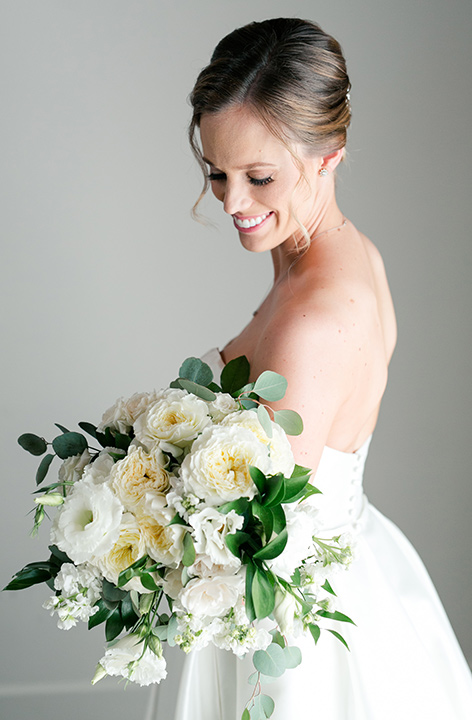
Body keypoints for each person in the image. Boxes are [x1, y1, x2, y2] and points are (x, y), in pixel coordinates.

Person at [172, 18, 472, 719]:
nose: (233, 202)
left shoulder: (314, 320)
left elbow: (263, 547)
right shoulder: (346, 254)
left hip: (286, 631)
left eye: (260, 176)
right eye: (216, 171)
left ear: (330, 154)